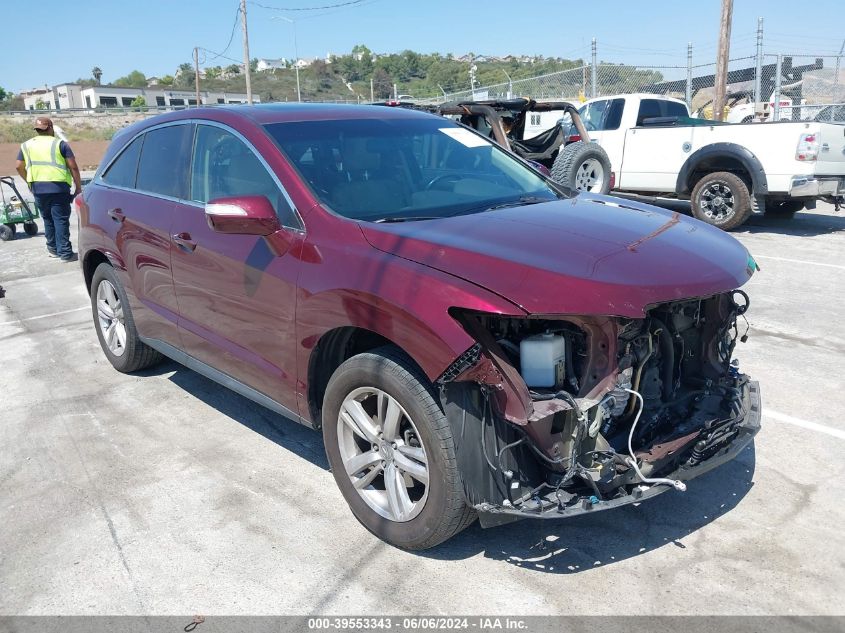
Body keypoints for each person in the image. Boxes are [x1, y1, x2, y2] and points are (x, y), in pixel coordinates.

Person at [15, 116, 82, 262]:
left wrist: (29, 181)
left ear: (37, 130)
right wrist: (78, 187)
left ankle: (52, 249)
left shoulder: (26, 145)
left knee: (47, 219)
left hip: (38, 188)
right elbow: (73, 166)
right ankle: (65, 253)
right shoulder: (60, 144)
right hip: (58, 188)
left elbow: (18, 166)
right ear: (50, 128)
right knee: (60, 219)